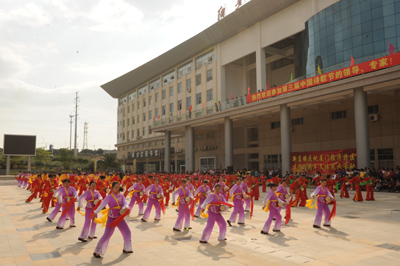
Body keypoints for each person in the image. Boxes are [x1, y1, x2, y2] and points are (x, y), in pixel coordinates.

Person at [93, 182, 132, 258]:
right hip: (111, 218)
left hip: (119, 218)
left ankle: (127, 248)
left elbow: (125, 203)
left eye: (118, 187)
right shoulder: (109, 197)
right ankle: (97, 251)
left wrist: (125, 207)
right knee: (107, 235)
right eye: (115, 187)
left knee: (127, 232)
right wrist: (95, 212)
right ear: (112, 188)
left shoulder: (121, 196)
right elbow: (102, 205)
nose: (117, 189)